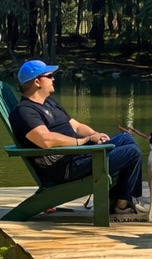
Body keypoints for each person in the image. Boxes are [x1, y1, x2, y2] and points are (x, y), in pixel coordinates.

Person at [9, 59, 143, 216]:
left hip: (79, 155)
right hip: (65, 166)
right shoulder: (25, 111)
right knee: (132, 151)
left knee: (125, 138)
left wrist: (94, 135)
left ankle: (125, 200)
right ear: (37, 81)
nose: (53, 79)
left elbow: (76, 126)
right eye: (50, 75)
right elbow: (45, 140)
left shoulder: (49, 103)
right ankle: (122, 203)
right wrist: (81, 142)